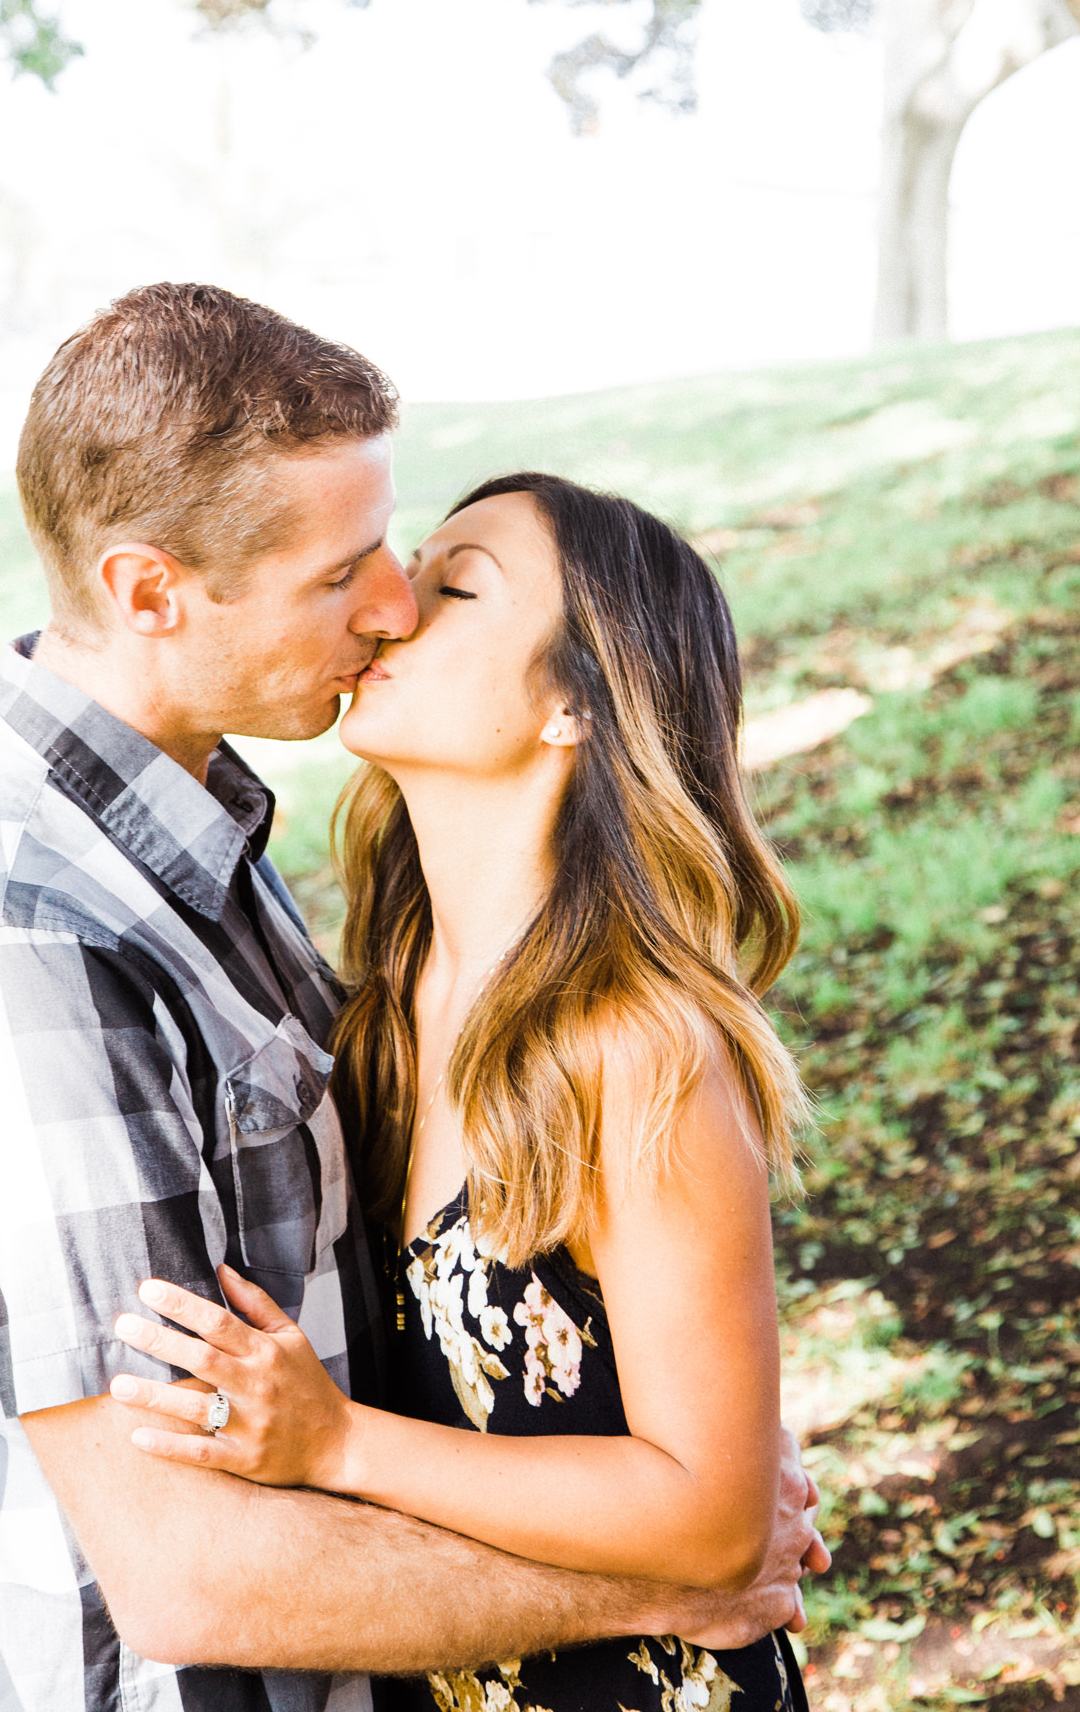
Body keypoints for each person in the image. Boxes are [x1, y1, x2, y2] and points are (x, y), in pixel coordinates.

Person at [0, 285, 827, 1712]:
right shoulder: (27, 948)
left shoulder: (211, 858)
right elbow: (189, 1576)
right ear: (147, 589)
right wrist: (670, 1569)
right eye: (349, 567)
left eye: (421, 567)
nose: (391, 605)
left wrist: (691, 1478)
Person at [106, 472, 818, 1711]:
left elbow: (712, 1522)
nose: (385, 610)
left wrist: (337, 1444)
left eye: (455, 587)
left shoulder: (635, 1048)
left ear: (572, 706)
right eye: (397, 572)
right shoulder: (379, 1002)